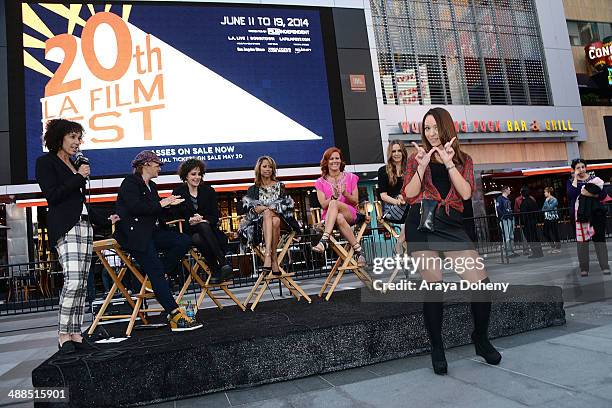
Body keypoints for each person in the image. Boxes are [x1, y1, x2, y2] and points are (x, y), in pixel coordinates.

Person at [402, 107, 501, 375]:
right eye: (427, 129)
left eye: (435, 127)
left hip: (450, 225)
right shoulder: (416, 157)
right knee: (434, 286)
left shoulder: (463, 159)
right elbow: (409, 194)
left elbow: (466, 193)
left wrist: (447, 162)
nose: (431, 133)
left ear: (446, 127)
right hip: (422, 224)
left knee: (480, 282)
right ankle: (437, 347)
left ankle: (480, 338)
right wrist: (422, 166)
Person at [35, 119, 118, 353]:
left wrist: (105, 219)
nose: (77, 142)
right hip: (65, 226)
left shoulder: (74, 164)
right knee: (72, 281)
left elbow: (79, 203)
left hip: (84, 226)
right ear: (58, 137)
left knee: (82, 284)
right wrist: (79, 177)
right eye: (72, 137)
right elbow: (54, 196)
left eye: (78, 138)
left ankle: (76, 333)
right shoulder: (46, 162)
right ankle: (63, 334)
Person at [114, 151, 202, 331]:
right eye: (157, 164)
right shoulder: (130, 182)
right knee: (156, 274)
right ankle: (174, 314)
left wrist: (171, 205)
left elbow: (156, 211)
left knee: (183, 241)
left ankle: (160, 272)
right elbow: (136, 207)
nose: (159, 168)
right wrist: (163, 203)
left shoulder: (152, 186)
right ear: (145, 164)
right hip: (137, 236)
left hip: (154, 233)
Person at [172, 159, 232, 284]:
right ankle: (222, 262)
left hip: (208, 231)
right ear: (186, 176)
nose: (197, 177)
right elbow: (175, 216)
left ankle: (216, 270)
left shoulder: (209, 191)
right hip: (188, 229)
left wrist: (202, 219)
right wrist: (190, 220)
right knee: (197, 233)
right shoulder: (178, 192)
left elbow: (215, 216)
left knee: (199, 235)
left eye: (199, 174)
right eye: (193, 174)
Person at [239, 156, 301, 275]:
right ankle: (273, 259)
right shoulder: (253, 189)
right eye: (265, 166)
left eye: (270, 167)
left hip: (283, 221)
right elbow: (250, 210)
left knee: (272, 214)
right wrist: (259, 208)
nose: (268, 169)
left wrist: (272, 208)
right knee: (273, 221)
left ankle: (267, 254)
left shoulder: (280, 186)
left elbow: (287, 207)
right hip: (261, 225)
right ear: (259, 168)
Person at [313, 147, 365, 267]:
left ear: (341, 161)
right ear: (326, 161)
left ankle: (324, 240)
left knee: (334, 204)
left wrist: (345, 194)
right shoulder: (320, 182)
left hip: (350, 213)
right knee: (339, 217)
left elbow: (355, 201)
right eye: (331, 159)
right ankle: (359, 252)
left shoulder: (351, 177)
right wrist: (334, 196)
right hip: (331, 218)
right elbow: (322, 204)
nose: (335, 161)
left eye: (337, 158)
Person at [575, 177, 610, 276]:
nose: (580, 170)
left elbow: (602, 195)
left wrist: (587, 193)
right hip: (581, 215)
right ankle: (584, 268)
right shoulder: (571, 183)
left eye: (582, 167)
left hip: (596, 214)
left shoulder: (596, 180)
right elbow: (572, 193)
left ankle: (604, 266)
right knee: (582, 244)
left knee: (599, 240)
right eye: (577, 168)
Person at [378, 140, 408, 255]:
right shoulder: (383, 171)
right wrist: (398, 201)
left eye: (399, 150)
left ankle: (399, 242)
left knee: (415, 209)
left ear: (403, 152)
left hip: (407, 207)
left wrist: (404, 199)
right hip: (391, 209)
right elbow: (383, 195)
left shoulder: (409, 169)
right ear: (390, 153)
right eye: (393, 151)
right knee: (413, 210)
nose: (396, 153)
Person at [518, 186, 544, 259]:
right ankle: (539, 252)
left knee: (531, 238)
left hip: (528, 223)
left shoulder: (524, 203)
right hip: (534, 221)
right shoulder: (532, 201)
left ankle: (535, 253)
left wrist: (522, 222)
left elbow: (523, 214)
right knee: (535, 237)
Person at [495, 186, 519, 258]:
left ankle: (511, 251)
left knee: (511, 236)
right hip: (505, 219)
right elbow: (498, 209)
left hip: (510, 218)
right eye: (509, 190)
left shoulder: (505, 198)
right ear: (505, 190)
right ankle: (508, 252)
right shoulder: (500, 198)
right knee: (507, 236)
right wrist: (503, 216)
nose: (510, 191)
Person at [542, 187, 561, 254]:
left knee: (555, 232)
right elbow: (543, 209)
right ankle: (552, 245)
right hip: (547, 218)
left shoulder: (554, 200)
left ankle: (558, 247)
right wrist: (546, 203)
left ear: (549, 193)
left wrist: (547, 202)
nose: (544, 193)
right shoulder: (546, 200)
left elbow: (549, 208)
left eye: (545, 192)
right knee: (545, 232)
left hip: (553, 218)